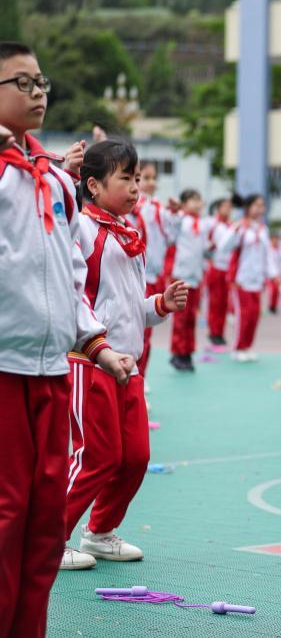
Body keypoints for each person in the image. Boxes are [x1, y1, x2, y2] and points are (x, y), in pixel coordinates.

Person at [0, 41, 134, 637]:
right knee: (5, 517)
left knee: (44, 521)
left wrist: (96, 342)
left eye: (40, 82)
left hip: (52, 371)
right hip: (3, 369)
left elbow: (69, 276)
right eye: (20, 83)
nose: (37, 93)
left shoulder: (54, 181)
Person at [62, 140, 188, 571]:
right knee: (96, 456)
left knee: (135, 457)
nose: (136, 188)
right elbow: (72, 286)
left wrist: (160, 304)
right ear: (93, 185)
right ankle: (49, 538)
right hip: (88, 359)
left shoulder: (128, 234)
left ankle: (99, 532)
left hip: (127, 364)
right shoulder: (79, 226)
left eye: (138, 179)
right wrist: (64, 172)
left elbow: (129, 307)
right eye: (126, 178)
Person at [129, 160, 179, 377]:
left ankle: (141, 375)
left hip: (154, 275)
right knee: (131, 328)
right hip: (135, 274)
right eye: (142, 178)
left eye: (152, 178)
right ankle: (128, 373)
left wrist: (175, 216)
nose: (149, 183)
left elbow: (172, 238)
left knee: (147, 330)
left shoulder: (159, 209)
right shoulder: (130, 206)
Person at [222, 195, 278, 361]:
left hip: (257, 280)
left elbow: (268, 255)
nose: (259, 208)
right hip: (242, 280)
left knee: (254, 316)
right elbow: (225, 246)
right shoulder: (241, 227)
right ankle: (237, 347)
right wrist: (234, 230)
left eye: (262, 205)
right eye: (256, 205)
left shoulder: (263, 230)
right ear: (248, 207)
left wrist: (273, 274)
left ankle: (247, 346)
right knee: (243, 315)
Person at [169, 189, 205, 372]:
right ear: (184, 204)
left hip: (196, 277)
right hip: (182, 276)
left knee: (191, 317)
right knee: (181, 318)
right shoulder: (181, 220)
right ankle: (178, 352)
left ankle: (188, 351)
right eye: (193, 200)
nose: (198, 204)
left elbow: (204, 249)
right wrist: (176, 211)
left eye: (199, 200)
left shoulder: (202, 224)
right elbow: (170, 228)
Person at [205, 197, 234, 348]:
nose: (229, 209)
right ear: (218, 208)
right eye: (226, 206)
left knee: (224, 303)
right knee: (215, 302)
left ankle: (220, 332)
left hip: (226, 269)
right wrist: (211, 247)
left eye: (230, 207)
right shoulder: (211, 223)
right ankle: (213, 332)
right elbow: (204, 241)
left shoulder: (231, 226)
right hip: (215, 267)